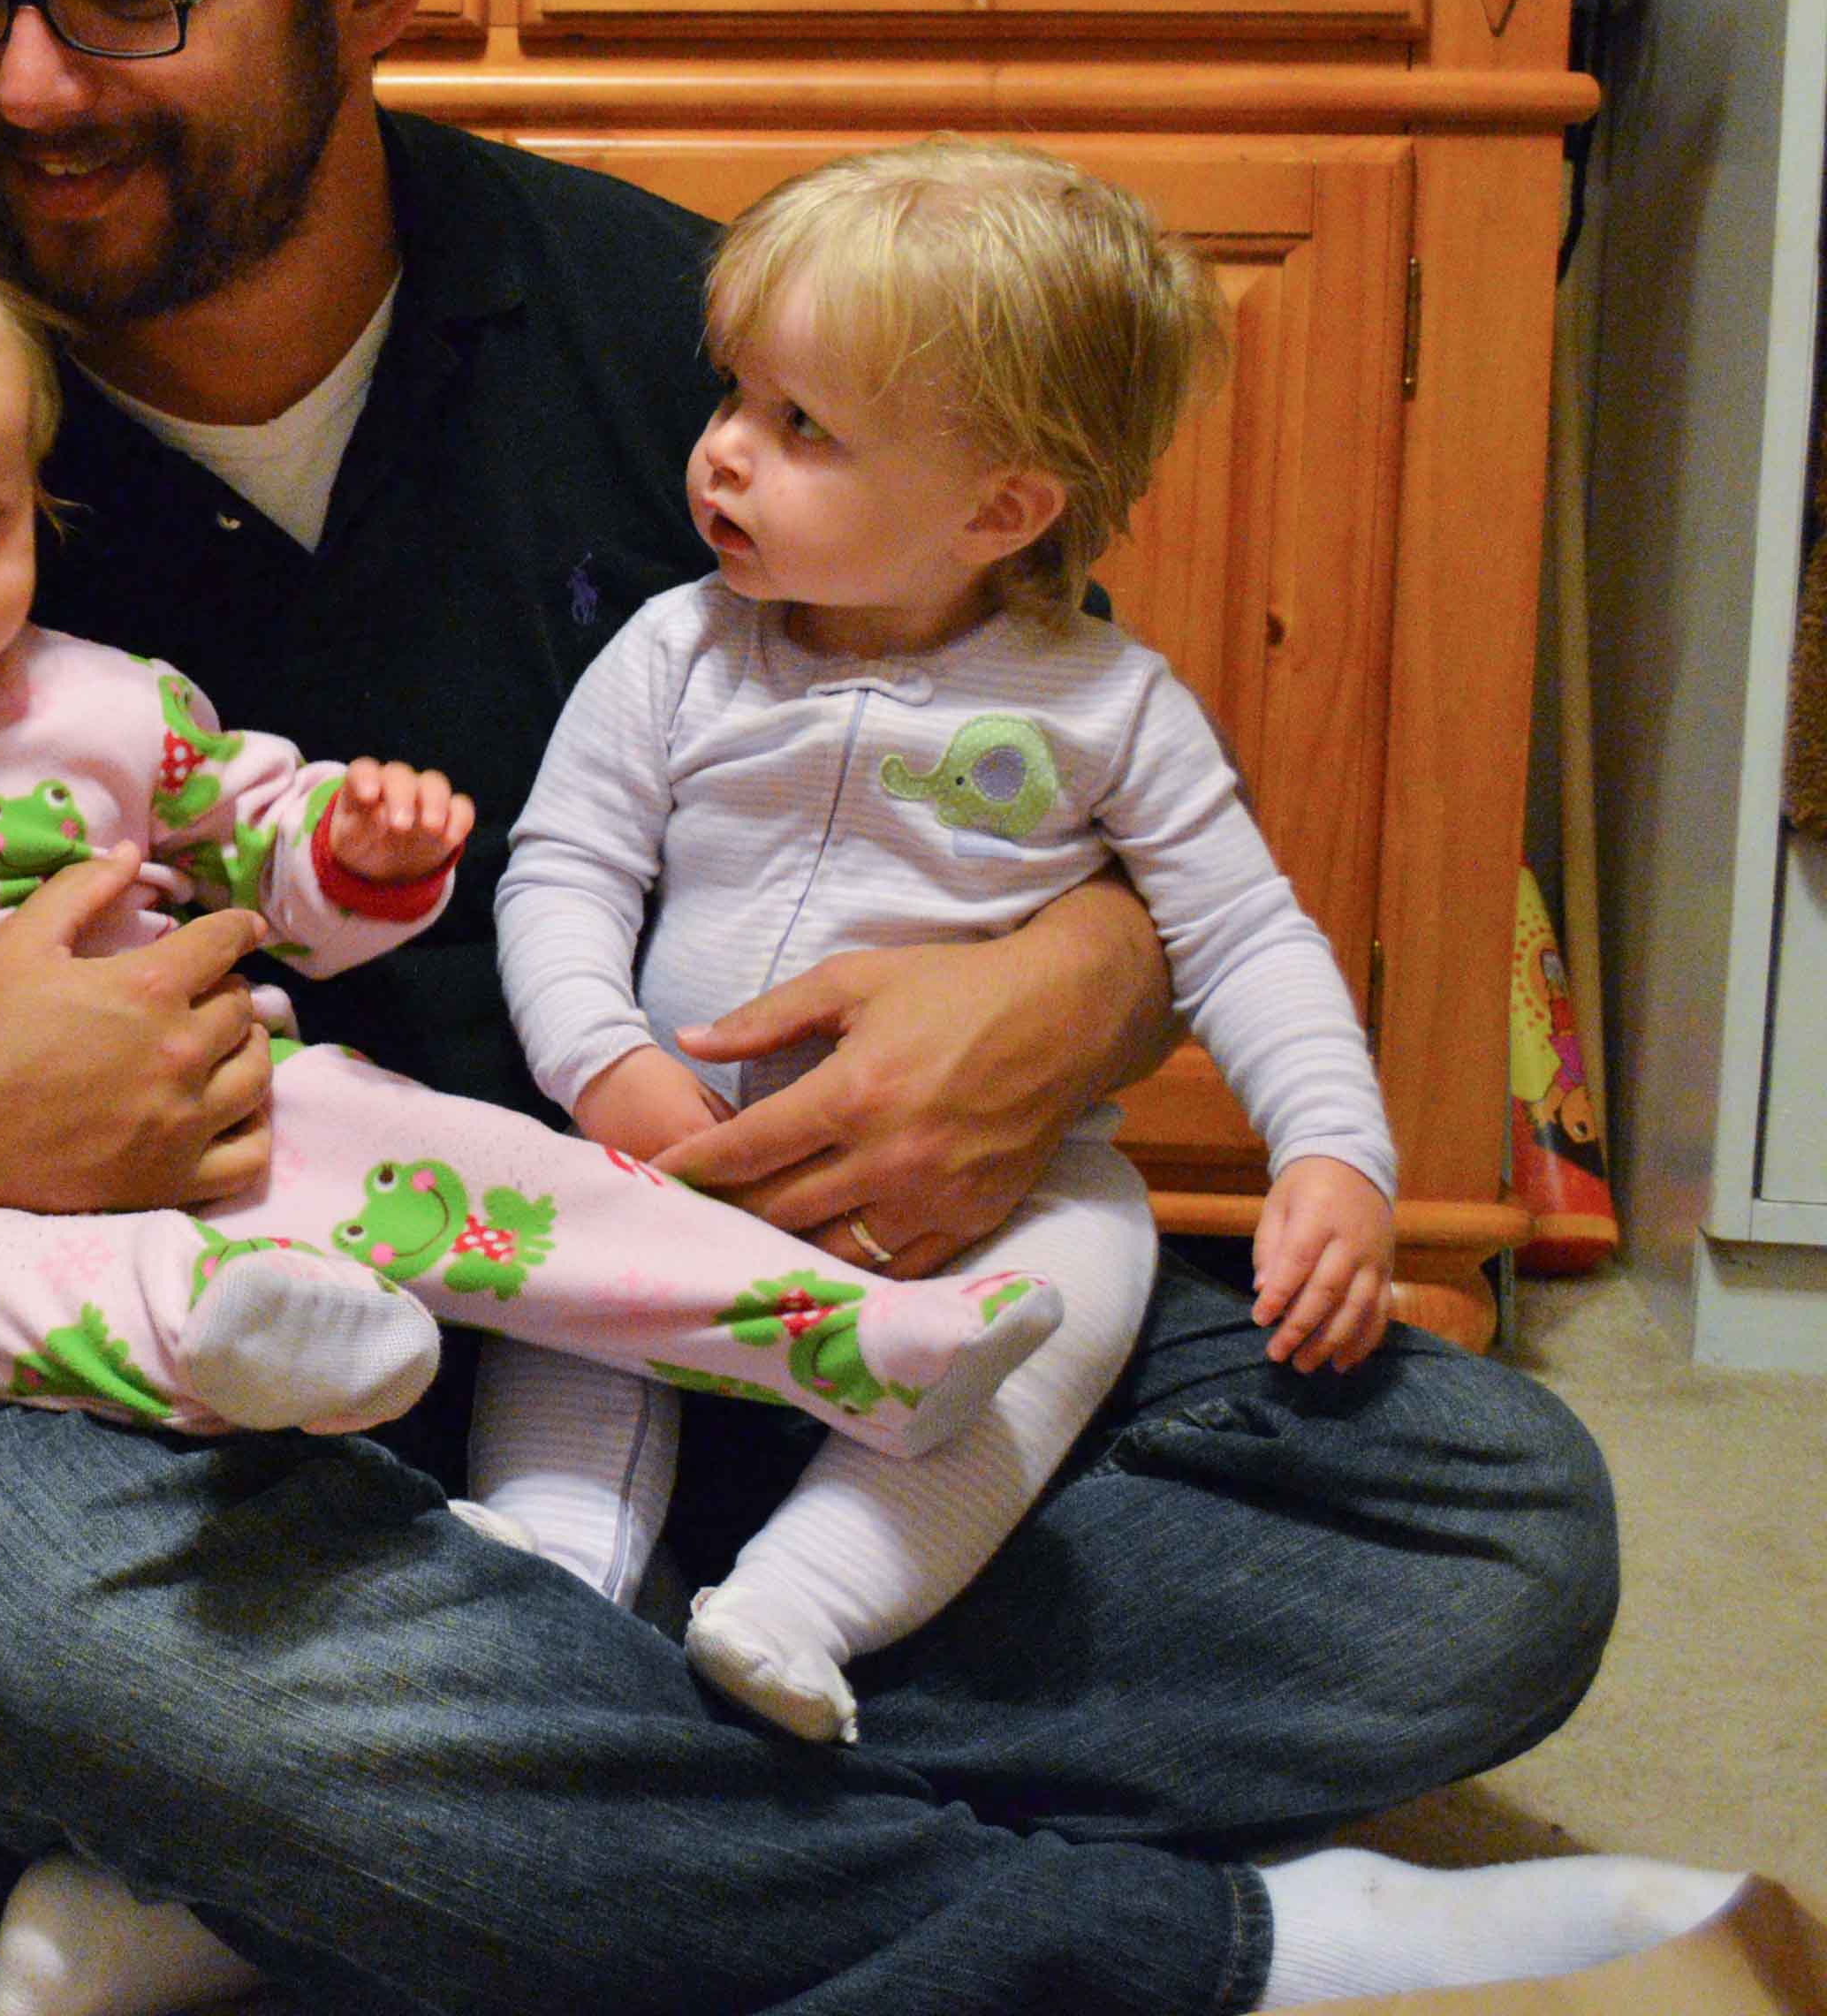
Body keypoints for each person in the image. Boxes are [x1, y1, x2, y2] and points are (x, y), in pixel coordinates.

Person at [0, 0, 1722, 2016]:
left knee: (1487, 1527)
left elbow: (1112, 788)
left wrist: (1079, 982)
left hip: (744, 1311)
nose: (16, 81)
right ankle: (1193, 1941)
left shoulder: (691, 342)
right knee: (17, 1597)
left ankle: (388, 1818)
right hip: (182, 1360)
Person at [0, 194, 1074, 1474]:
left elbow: (265, 854)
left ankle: (849, 1335)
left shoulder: (105, 704)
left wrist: (360, 855)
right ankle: (262, 1345)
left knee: (501, 1171)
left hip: (242, 1122)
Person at [484, 138, 1399, 1751]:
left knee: (1084, 1270)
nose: (722, 453)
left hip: (967, 1220)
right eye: (734, 396)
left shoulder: (1106, 706)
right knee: (557, 1267)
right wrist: (600, 1060)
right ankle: (551, 1577)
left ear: (1000, 508)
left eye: (801, 426)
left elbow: (1243, 932)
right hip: (673, 1153)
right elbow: (561, 866)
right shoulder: (678, 650)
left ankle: (804, 1602)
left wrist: (1334, 1150)